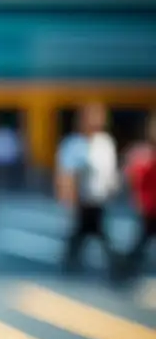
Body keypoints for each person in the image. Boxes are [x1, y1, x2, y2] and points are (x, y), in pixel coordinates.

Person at [56, 103, 120, 275]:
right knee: (84, 233)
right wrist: (67, 197)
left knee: (92, 232)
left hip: (99, 198)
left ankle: (116, 266)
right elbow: (66, 173)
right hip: (81, 199)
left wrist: (112, 189)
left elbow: (110, 172)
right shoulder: (73, 144)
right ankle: (70, 264)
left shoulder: (105, 143)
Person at [124, 112, 156, 277]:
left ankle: (125, 267)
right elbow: (133, 178)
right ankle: (125, 268)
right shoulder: (142, 153)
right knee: (142, 241)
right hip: (150, 206)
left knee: (142, 241)